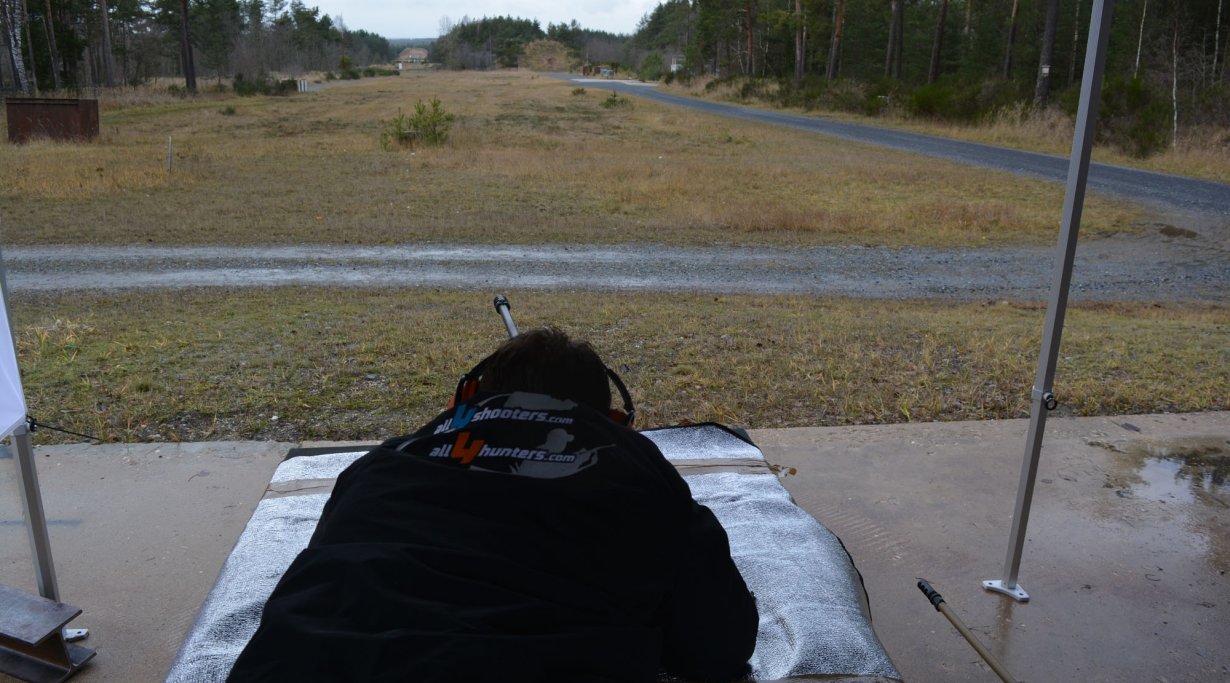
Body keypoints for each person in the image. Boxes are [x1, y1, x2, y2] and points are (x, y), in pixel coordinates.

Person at [226, 327, 759, 683]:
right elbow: (719, 644)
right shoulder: (636, 467)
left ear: (466, 401)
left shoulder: (382, 465)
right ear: (613, 420)